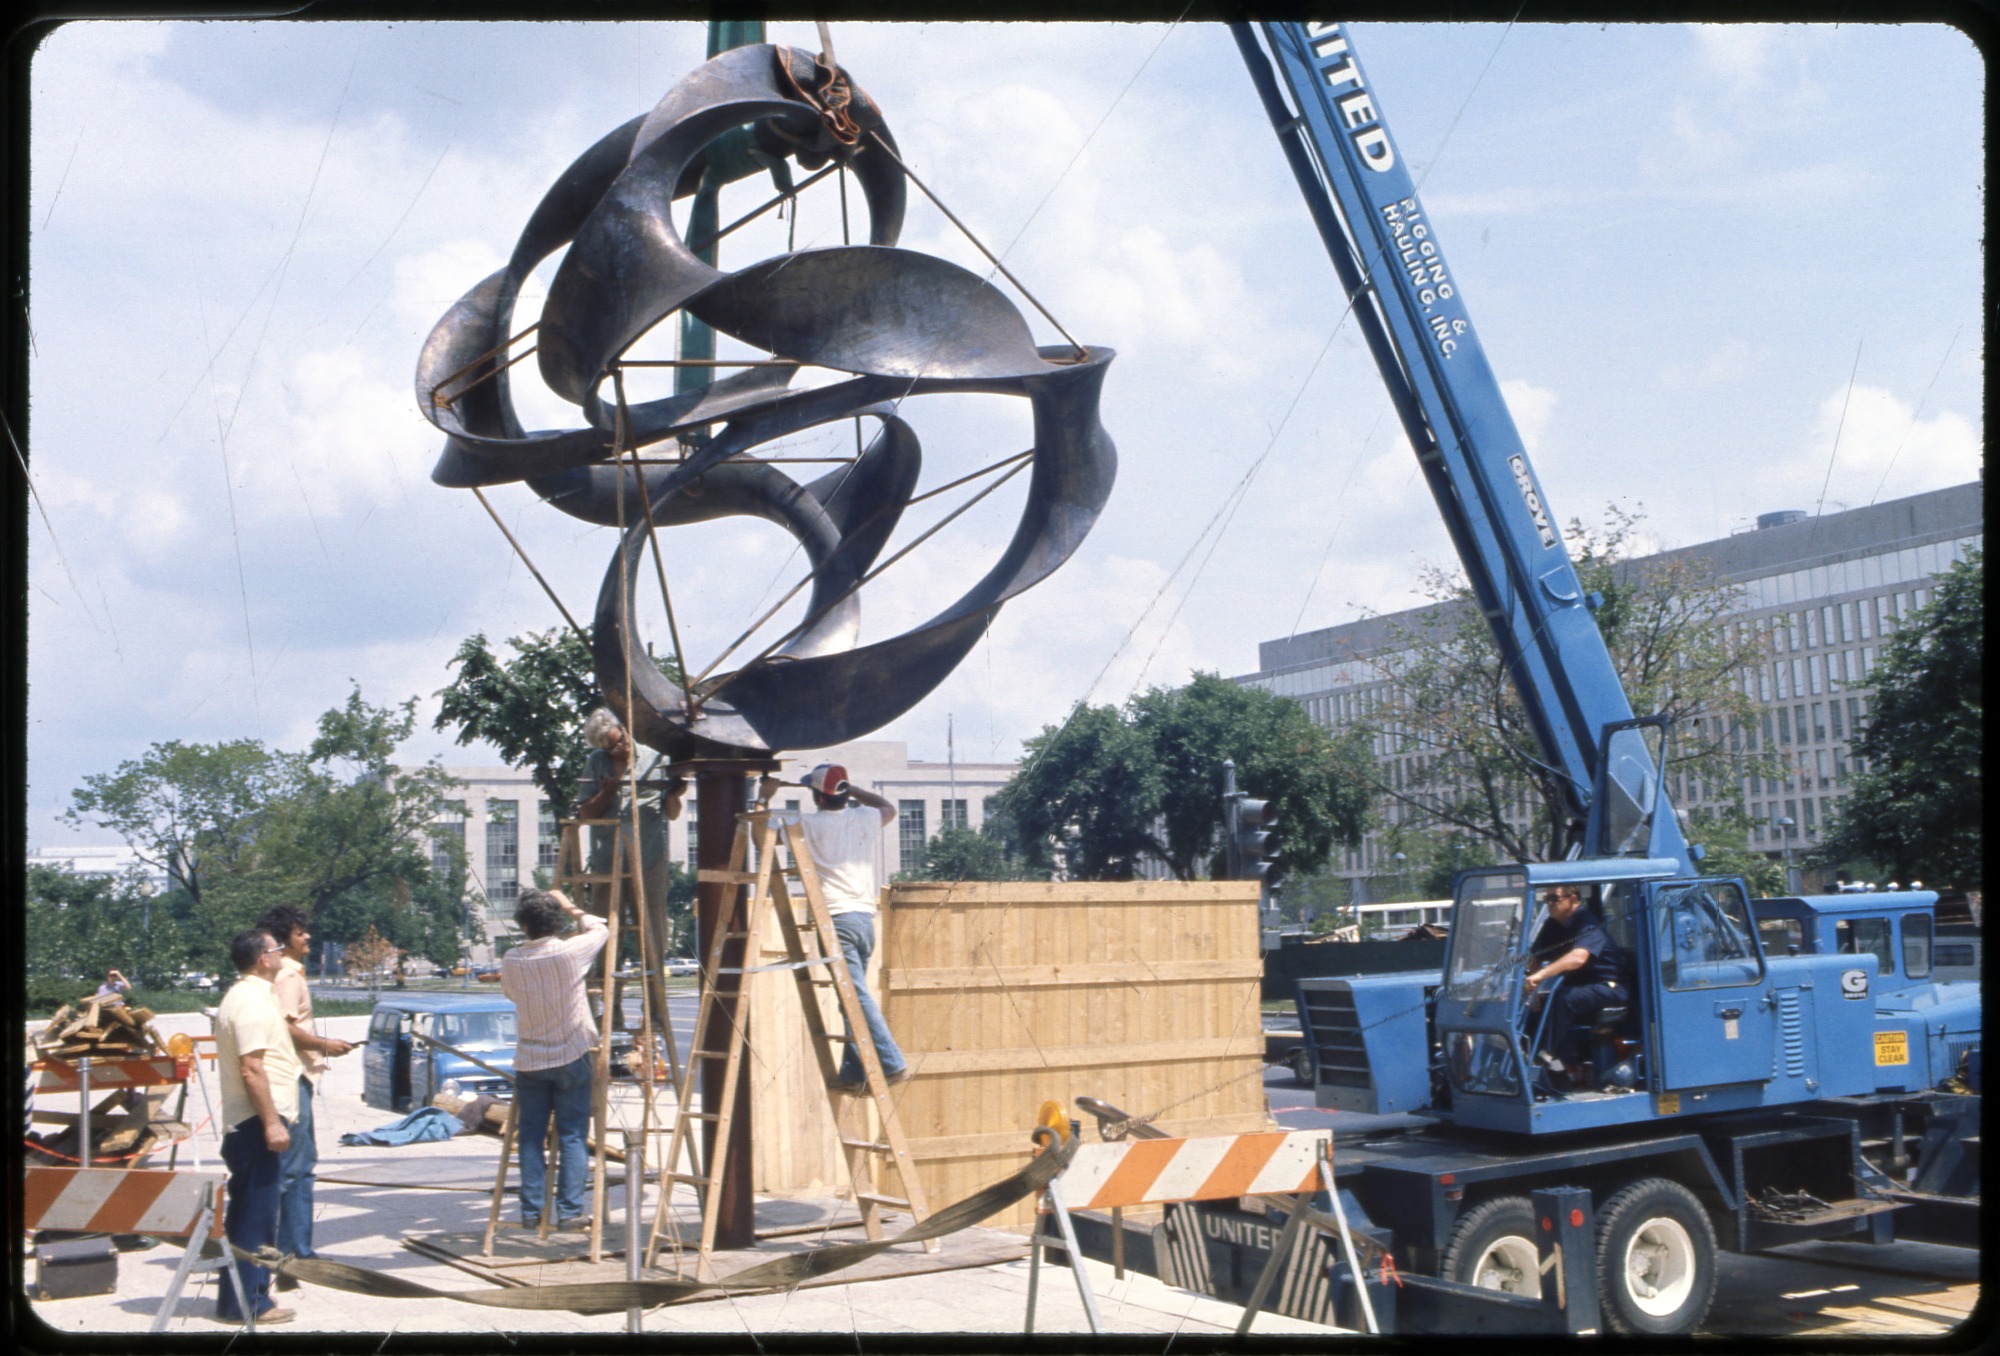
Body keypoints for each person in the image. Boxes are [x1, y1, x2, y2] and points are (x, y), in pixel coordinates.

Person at [759, 764, 909, 1092]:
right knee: (850, 994)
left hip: (837, 920)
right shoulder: (863, 818)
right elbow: (888, 808)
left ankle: (892, 1062)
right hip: (863, 919)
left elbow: (761, 835)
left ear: (817, 796)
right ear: (842, 795)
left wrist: (763, 797)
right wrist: (851, 789)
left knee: (853, 993)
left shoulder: (808, 824)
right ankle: (855, 1071)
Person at [254, 905, 356, 1287]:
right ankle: (295, 1255)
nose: (307, 937)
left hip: (296, 1078)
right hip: (291, 1079)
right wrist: (325, 1044)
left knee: (294, 1168)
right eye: (300, 933)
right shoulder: (286, 976)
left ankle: (289, 1251)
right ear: (284, 940)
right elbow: (283, 1026)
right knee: (297, 1170)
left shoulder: (286, 973)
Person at [500, 887, 607, 1229]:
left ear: (523, 924)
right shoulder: (569, 953)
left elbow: (510, 994)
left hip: (531, 1057)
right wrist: (571, 906)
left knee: (531, 1137)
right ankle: (570, 1211)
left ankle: (532, 1212)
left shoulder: (512, 959)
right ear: (554, 921)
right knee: (573, 1135)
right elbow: (601, 929)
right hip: (570, 1053)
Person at [211, 929, 300, 1326]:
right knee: (256, 1215)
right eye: (278, 949)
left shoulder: (253, 996)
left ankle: (240, 1300)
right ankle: (251, 1303)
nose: (283, 953)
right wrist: (271, 1123)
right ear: (264, 959)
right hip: (254, 1123)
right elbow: (252, 1068)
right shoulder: (249, 1002)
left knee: (252, 1212)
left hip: (253, 1122)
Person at [578, 707, 679, 922]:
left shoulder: (657, 759)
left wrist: (674, 795)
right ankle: (608, 958)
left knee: (653, 924)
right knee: (604, 925)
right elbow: (585, 812)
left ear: (624, 728)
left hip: (649, 858)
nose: (620, 748)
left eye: (620, 740)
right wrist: (606, 794)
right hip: (607, 861)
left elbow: (673, 813)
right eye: (611, 748)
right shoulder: (596, 762)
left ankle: (655, 959)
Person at [1522, 884, 1629, 1075]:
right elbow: (1535, 956)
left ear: (1573, 899)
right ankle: (1527, 1054)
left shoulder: (1588, 923)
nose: (1550, 904)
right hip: (1582, 986)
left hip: (1610, 987)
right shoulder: (1552, 924)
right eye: (1547, 899)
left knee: (1564, 998)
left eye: (1555, 898)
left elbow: (1578, 957)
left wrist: (1540, 975)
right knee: (1532, 1005)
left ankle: (1545, 1055)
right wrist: (1533, 988)